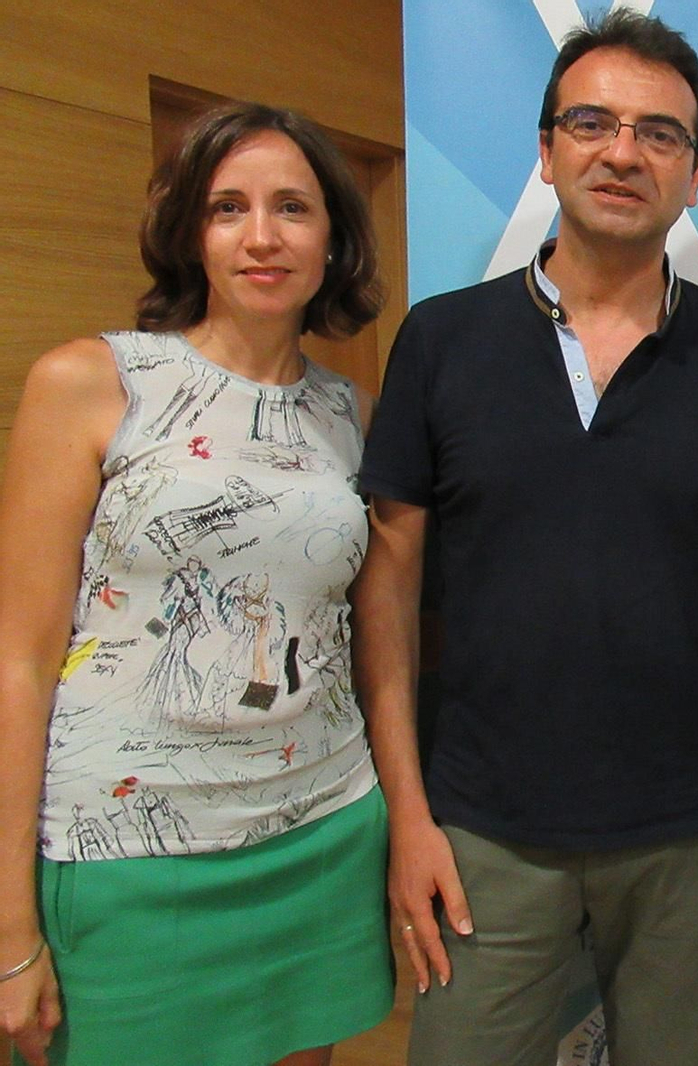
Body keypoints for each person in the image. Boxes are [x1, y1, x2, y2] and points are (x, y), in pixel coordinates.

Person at [354, 10, 698, 1066]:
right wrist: (410, 815)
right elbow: (386, 588)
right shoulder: (441, 339)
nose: (623, 151)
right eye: (593, 122)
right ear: (546, 149)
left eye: (660, 134)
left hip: (695, 838)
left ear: (693, 175)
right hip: (481, 831)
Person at [0, 102, 390, 1066]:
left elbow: (368, 636)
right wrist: (9, 928)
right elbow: (18, 659)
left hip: (321, 833)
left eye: (293, 208)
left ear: (333, 238)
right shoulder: (90, 383)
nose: (263, 237)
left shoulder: (358, 416)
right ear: (190, 232)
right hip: (124, 850)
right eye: (229, 209)